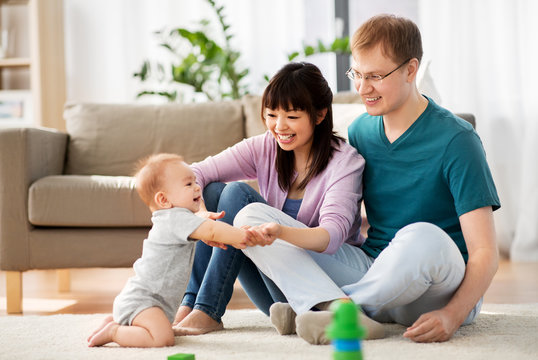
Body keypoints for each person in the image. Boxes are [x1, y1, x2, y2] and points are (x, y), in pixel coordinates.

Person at [237, 14, 500, 344]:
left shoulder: (457, 140)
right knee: (250, 218)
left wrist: (453, 314)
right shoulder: (361, 131)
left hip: (439, 288)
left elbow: (486, 253)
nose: (362, 88)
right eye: (357, 74)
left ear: (410, 70)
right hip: (375, 269)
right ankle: (347, 312)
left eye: (375, 76)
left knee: (421, 235)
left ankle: (322, 307)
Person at [172, 62, 384, 338]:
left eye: (292, 117)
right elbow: (195, 174)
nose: (279, 126)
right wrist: (200, 214)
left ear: (319, 115)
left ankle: (208, 310)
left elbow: (330, 238)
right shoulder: (266, 147)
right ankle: (190, 303)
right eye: (272, 114)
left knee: (236, 194)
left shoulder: (344, 163)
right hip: (277, 292)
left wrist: (280, 233)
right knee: (212, 193)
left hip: (328, 278)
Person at [87, 153, 247, 347]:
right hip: (145, 302)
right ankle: (115, 331)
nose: (197, 187)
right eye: (188, 184)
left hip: (144, 300)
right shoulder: (176, 218)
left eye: (195, 182)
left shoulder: (172, 218)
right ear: (163, 200)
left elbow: (208, 229)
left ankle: (115, 321)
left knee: (163, 328)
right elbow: (212, 230)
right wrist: (243, 235)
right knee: (162, 338)